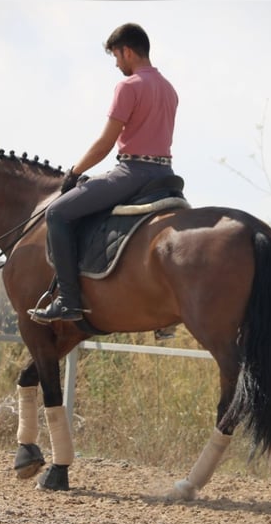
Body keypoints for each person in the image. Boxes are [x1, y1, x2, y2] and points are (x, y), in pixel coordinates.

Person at [30, 23, 179, 324]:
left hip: (132, 172)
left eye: (116, 56)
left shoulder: (129, 86)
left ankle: (69, 301)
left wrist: (74, 171)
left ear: (126, 50)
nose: (116, 64)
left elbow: (104, 145)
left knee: (57, 213)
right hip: (165, 174)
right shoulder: (169, 88)